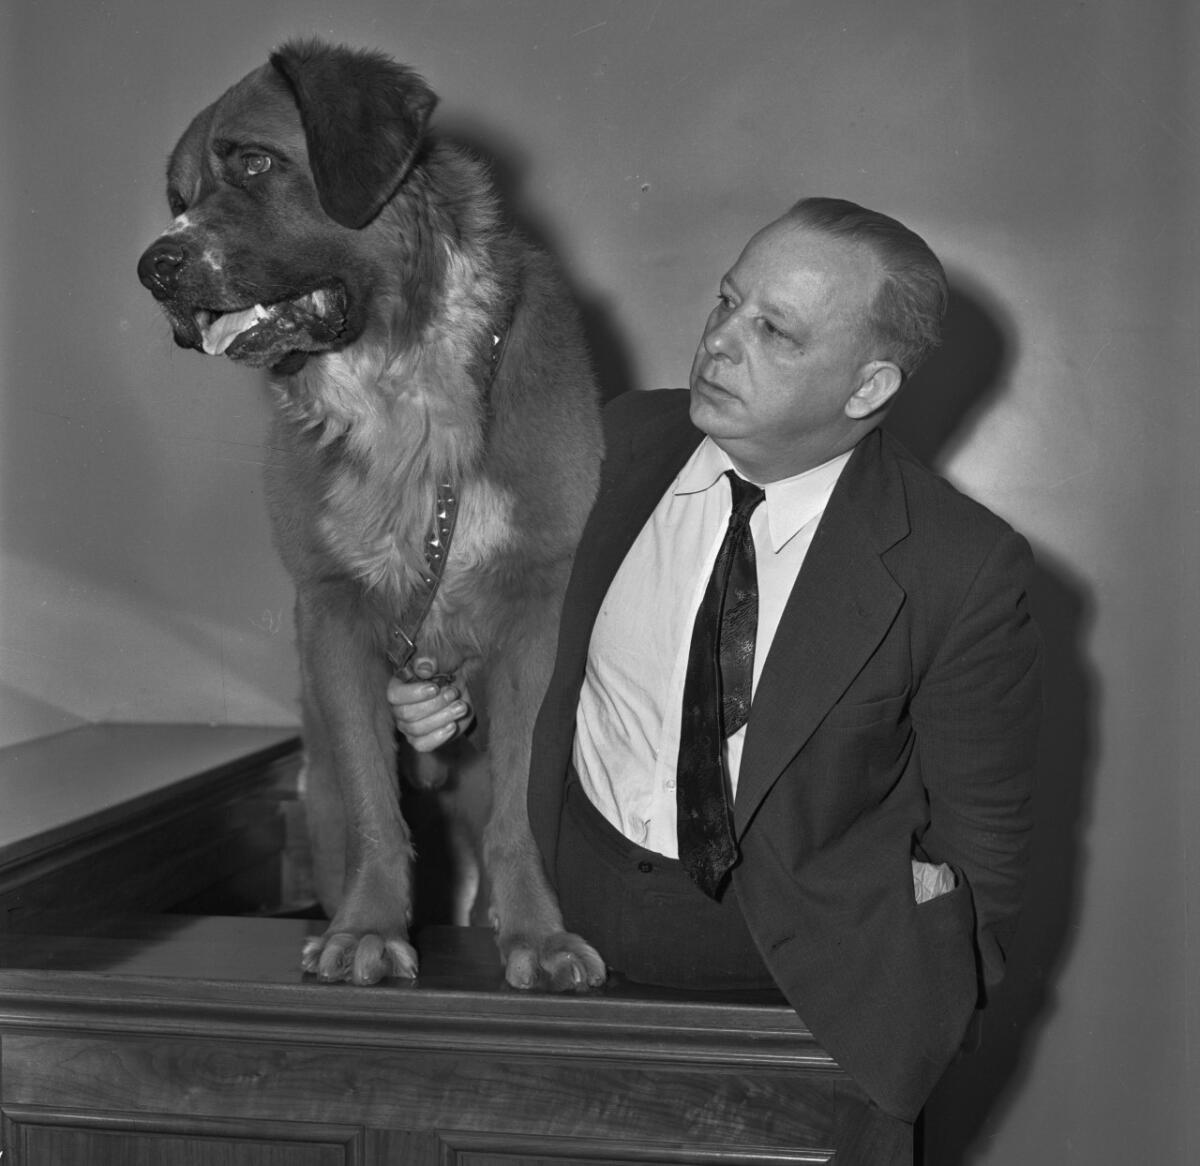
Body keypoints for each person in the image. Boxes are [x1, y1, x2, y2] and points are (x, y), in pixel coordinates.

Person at [389, 197, 1042, 1163]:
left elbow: (987, 848)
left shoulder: (960, 564)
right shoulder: (617, 444)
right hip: (569, 974)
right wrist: (449, 703)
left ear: (867, 386)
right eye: (728, 303)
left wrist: (918, 1026)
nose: (720, 343)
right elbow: (543, 659)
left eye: (774, 331)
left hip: (811, 1020)